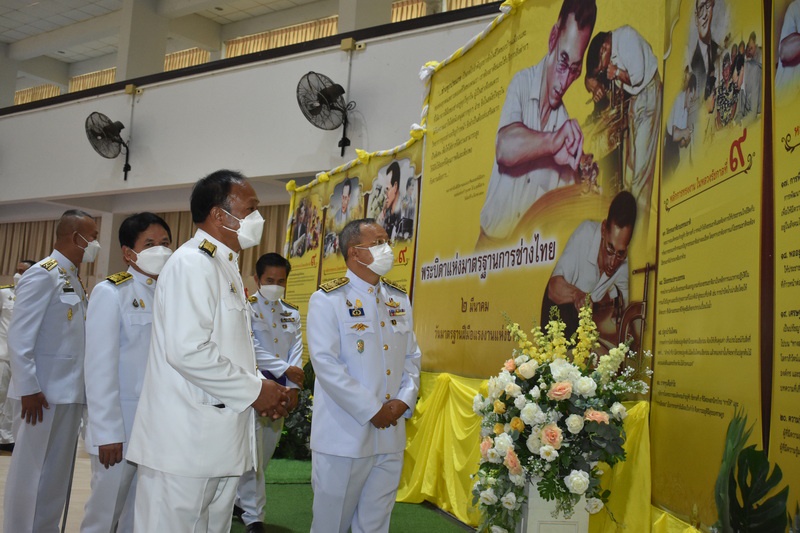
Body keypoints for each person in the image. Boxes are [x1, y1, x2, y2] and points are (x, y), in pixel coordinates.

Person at [126, 170, 289, 533]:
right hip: (183, 447)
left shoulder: (224, 265)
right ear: (219, 215)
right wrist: (256, 391)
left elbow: (231, 351)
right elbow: (188, 352)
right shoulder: (191, 264)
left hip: (216, 444)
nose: (256, 218)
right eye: (251, 209)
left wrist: (264, 384)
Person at [307, 218, 421, 533]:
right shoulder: (328, 299)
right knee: (332, 524)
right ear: (355, 253)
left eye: (388, 241)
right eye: (379, 243)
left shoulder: (398, 299)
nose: (389, 249)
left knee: (375, 525)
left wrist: (402, 400)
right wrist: (372, 409)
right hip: (344, 436)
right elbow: (326, 364)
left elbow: (412, 357)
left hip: (389, 436)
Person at [4, 210, 99, 533]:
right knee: (31, 474)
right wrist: (28, 388)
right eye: (93, 236)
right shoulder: (42, 274)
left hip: (67, 394)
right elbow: (20, 336)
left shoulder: (71, 276)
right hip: (40, 396)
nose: (95, 243)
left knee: (55, 474)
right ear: (76, 238)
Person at [80, 213, 173, 533]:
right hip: (121, 429)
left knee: (140, 516)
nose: (160, 250)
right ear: (128, 253)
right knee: (104, 515)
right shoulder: (111, 292)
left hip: (159, 427)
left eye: (164, 243)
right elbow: (98, 368)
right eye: (150, 244)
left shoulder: (172, 294)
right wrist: (106, 432)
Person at [479, 0, 597, 241]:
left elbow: (562, 217)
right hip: (487, 253)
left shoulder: (565, 128)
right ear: (553, 39)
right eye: (564, 61)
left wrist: (582, 180)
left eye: (575, 70)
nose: (565, 82)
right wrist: (551, 142)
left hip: (522, 264)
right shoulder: (521, 84)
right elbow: (504, 148)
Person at [233, 252, 304, 533]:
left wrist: (293, 387)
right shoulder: (246, 308)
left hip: (283, 392)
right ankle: (254, 516)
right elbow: (251, 348)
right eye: (269, 280)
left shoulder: (292, 312)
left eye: (281, 280)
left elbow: (296, 349)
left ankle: (241, 502)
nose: (275, 285)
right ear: (257, 279)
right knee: (252, 455)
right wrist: (284, 369)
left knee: (264, 453)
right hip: (256, 389)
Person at [541, 191, 636, 339]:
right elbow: (553, 288)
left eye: (620, 253)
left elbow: (626, 312)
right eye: (610, 249)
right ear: (604, 229)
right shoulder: (585, 233)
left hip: (581, 327)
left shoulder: (622, 259)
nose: (613, 263)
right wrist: (578, 295)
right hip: (556, 315)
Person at [586, 27, 662, 212]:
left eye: (602, 67)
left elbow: (637, 78)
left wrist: (617, 73)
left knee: (640, 176)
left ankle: (638, 233)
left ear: (604, 48)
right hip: (636, 100)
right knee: (629, 172)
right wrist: (594, 84)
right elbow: (589, 77)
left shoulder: (626, 38)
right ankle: (627, 224)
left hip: (648, 94)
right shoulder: (608, 51)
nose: (603, 70)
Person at [0, 259, 34, 453]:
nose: (18, 275)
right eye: (17, 270)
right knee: (1, 393)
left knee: (16, 401)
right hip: (3, 353)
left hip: (23, 357)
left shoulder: (34, 294)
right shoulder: (5, 293)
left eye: (23, 271)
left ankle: (8, 438)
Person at [664, 74, 698, 177]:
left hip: (674, 148)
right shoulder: (678, 98)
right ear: (688, 91)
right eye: (691, 99)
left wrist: (687, 137)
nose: (691, 103)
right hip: (667, 143)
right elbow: (675, 135)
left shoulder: (687, 110)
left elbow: (682, 143)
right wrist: (686, 132)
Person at [691, 0, 721, 100]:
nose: (704, 15)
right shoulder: (691, 64)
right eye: (701, 8)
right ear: (696, 18)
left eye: (707, 6)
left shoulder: (719, 51)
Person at [738, 32, 762, 123]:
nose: (749, 51)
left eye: (751, 48)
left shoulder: (755, 68)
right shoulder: (746, 66)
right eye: (748, 49)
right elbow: (741, 111)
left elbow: (753, 113)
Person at [378, 162, 402, 240]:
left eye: (388, 189)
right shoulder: (386, 214)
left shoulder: (402, 214)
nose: (386, 195)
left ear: (395, 187)